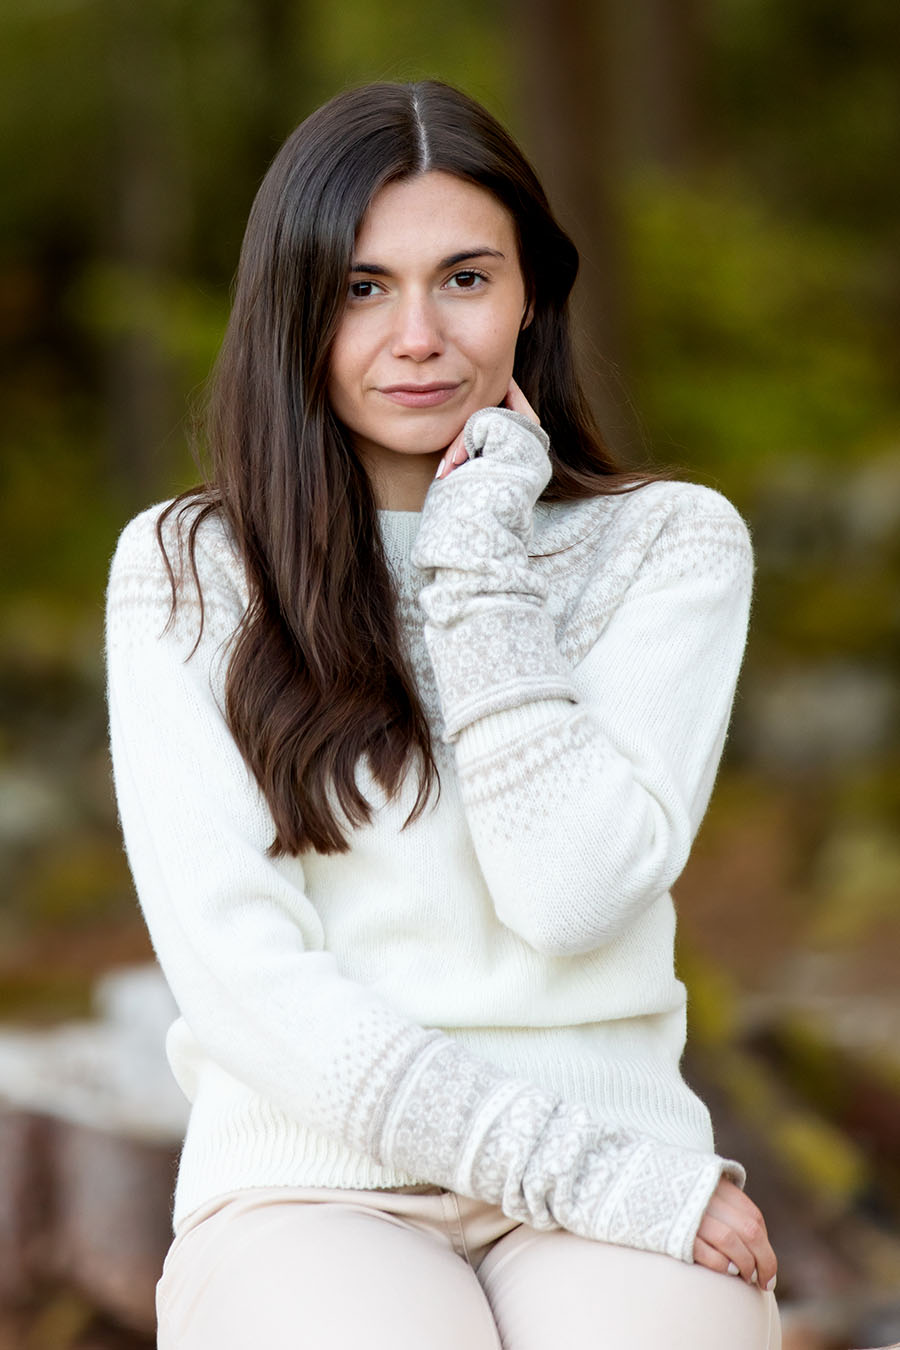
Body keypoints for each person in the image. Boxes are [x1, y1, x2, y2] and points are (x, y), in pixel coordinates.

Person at [105, 79, 780, 1349]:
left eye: (465, 279)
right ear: (294, 309)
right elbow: (239, 971)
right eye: (364, 288)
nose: (418, 335)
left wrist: (478, 558)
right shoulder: (190, 568)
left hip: (618, 1178)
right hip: (310, 1183)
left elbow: (571, 896)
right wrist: (578, 1169)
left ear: (532, 296)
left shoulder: (667, 545)